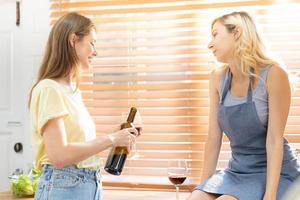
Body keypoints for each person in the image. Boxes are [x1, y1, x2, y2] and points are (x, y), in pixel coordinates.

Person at [187, 11, 300, 200]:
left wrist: (270, 195)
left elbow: (274, 140)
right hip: (237, 171)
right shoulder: (217, 78)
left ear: (236, 32)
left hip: (275, 173)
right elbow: (213, 139)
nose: (210, 44)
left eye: (215, 34)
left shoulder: (273, 74)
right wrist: (202, 187)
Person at [28, 12, 138, 200]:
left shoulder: (72, 91)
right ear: (73, 40)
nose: (95, 51)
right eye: (92, 42)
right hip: (64, 186)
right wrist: (112, 138)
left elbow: (80, 147)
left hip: (88, 186)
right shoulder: (49, 89)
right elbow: (59, 156)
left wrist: (119, 136)